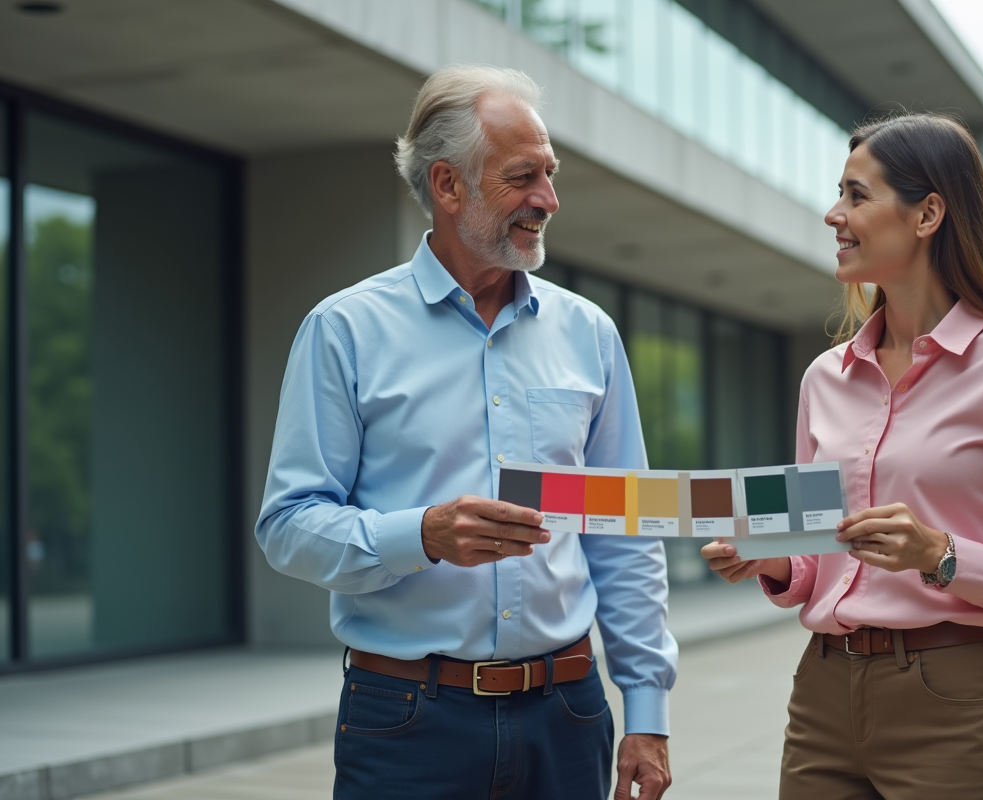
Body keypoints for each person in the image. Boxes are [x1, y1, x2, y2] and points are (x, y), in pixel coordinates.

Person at [256, 64, 676, 800]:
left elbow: (625, 532)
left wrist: (647, 710)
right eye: (523, 178)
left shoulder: (590, 335)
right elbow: (288, 526)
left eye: (550, 173)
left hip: (569, 716)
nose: (548, 200)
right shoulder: (344, 330)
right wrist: (421, 534)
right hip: (406, 721)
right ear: (448, 186)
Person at [701, 113, 983, 799]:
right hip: (822, 696)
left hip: (951, 699)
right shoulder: (824, 378)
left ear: (928, 214)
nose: (834, 214)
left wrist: (942, 555)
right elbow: (814, 557)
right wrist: (770, 561)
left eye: (857, 195)